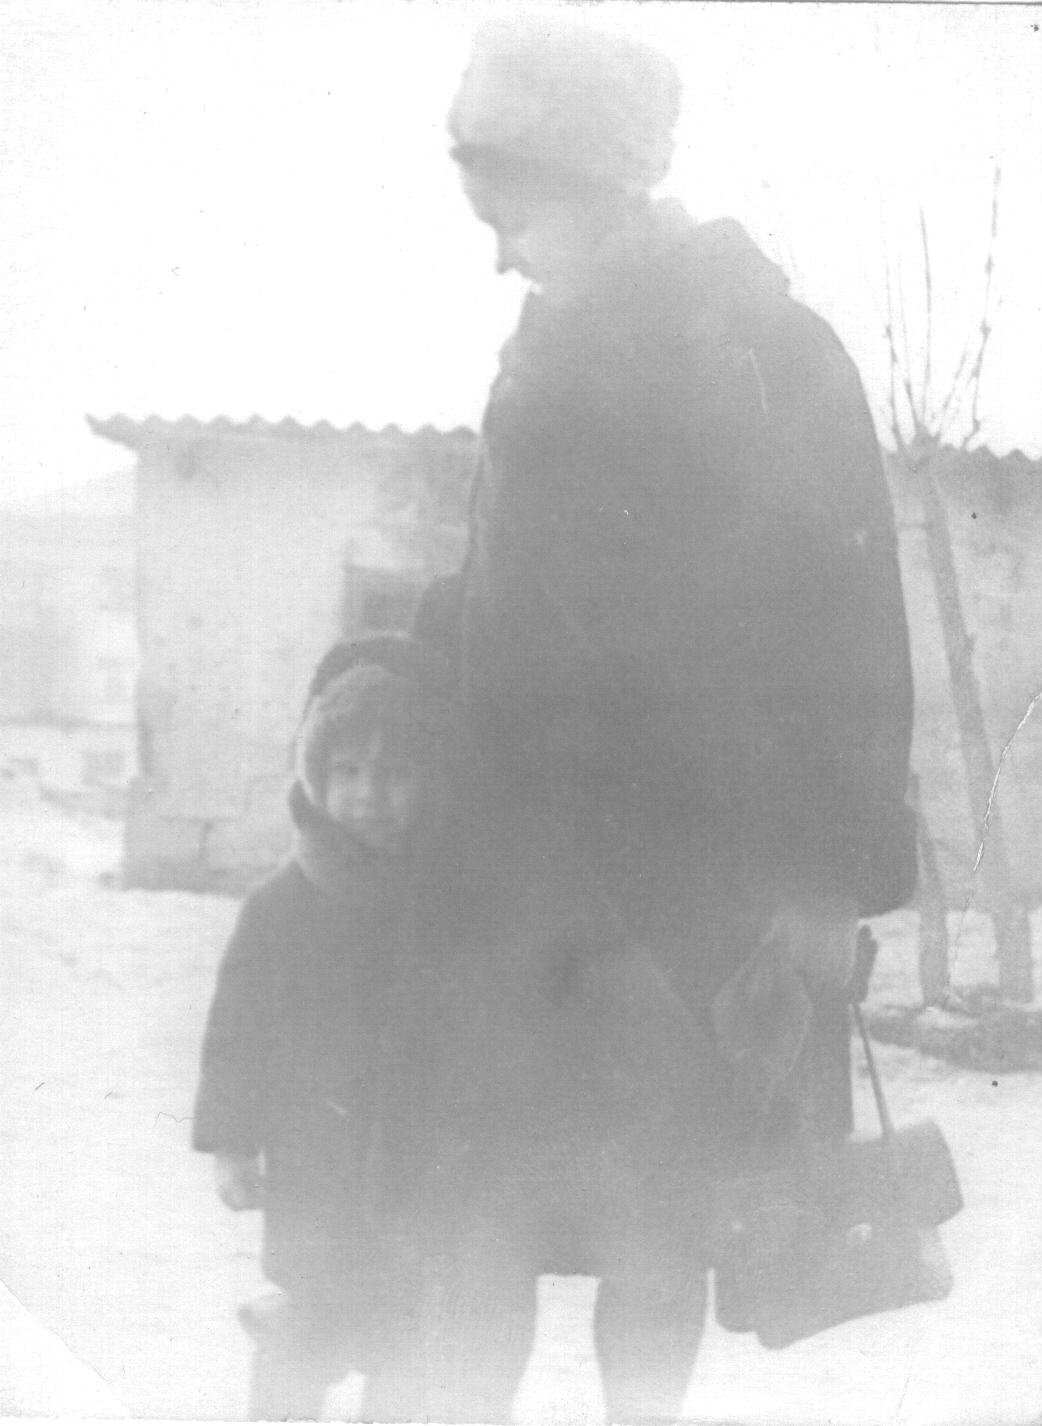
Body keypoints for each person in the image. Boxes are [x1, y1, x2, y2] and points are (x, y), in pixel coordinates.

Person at [432, 13, 918, 1423]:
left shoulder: (771, 351)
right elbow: (507, 615)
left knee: (655, 1252)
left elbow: (855, 638)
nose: (500, 255)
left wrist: (824, 883)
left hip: (699, 912)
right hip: (525, 900)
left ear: (605, 182)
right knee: (475, 1244)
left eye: (513, 217)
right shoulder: (542, 358)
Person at [191, 634, 457, 1421]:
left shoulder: (444, 904)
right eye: (347, 772)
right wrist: (233, 1145)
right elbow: (236, 1035)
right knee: (306, 1331)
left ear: (431, 780)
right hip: (316, 1169)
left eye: (394, 773)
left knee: (409, 1342)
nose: (369, 794)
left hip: (418, 1172)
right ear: (316, 777)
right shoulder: (283, 905)